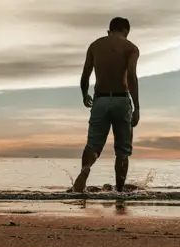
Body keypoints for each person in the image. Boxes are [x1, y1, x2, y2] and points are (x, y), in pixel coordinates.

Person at [73, 17, 140, 193]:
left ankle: (85, 170)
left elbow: (85, 75)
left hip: (100, 99)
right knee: (122, 151)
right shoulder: (130, 48)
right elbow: (131, 77)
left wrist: (84, 94)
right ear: (126, 31)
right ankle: (119, 190)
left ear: (109, 30)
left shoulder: (95, 46)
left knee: (93, 145)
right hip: (121, 99)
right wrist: (137, 107)